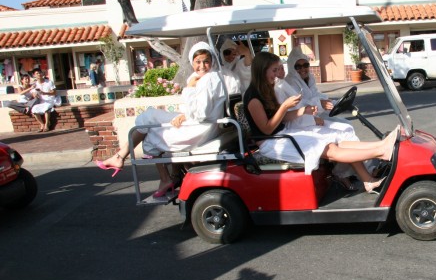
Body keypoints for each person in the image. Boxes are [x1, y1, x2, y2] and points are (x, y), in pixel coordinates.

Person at [243, 51, 398, 193]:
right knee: (329, 148)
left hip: (283, 134)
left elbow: (281, 118)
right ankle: (381, 152)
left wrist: (301, 111)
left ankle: (376, 157)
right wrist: (284, 106)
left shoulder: (267, 90)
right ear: (262, 71)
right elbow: (267, 129)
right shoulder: (253, 97)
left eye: (278, 69)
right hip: (271, 143)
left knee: (335, 139)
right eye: (274, 70)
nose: (277, 74)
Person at [96, 42, 226, 197]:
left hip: (199, 128)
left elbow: (202, 112)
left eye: (206, 61)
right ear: (192, 62)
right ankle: (129, 161)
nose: (202, 66)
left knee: (149, 122)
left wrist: (189, 92)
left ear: (211, 61)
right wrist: (185, 112)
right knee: (149, 120)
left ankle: (123, 158)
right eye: (198, 62)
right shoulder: (206, 77)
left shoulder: (207, 79)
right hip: (200, 125)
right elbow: (201, 107)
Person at [275, 48, 364, 189]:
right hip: (301, 123)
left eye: (305, 65)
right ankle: (344, 173)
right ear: (292, 67)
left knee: (347, 126)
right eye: (298, 66)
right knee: (343, 130)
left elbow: (317, 96)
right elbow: (300, 106)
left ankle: (353, 170)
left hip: (309, 120)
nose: (303, 69)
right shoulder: (289, 84)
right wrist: (318, 107)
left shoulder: (308, 79)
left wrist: (333, 103)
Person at [30, 68, 60, 132]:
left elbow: (54, 92)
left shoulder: (49, 82)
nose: (39, 74)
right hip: (42, 101)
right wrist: (35, 94)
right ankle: (42, 124)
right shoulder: (35, 84)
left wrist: (45, 93)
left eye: (40, 72)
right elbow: (33, 93)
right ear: (34, 75)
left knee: (46, 108)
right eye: (37, 73)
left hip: (50, 100)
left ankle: (47, 125)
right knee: (34, 109)